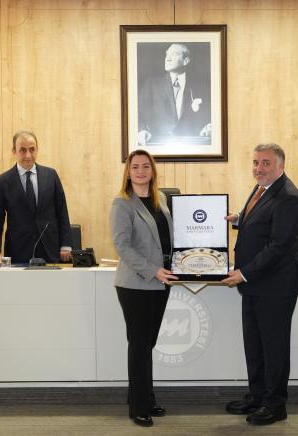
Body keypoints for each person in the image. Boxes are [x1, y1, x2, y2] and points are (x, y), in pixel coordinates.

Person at [222, 143, 298, 426]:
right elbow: (263, 223)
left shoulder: (288, 197)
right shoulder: (263, 188)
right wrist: (239, 219)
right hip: (255, 285)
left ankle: (275, 404)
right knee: (255, 346)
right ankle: (257, 396)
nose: (259, 168)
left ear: (280, 166)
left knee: (274, 349)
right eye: (256, 162)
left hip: (275, 288)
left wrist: (243, 273)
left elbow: (279, 246)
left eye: (266, 163)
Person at [110, 149, 178, 427]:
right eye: (135, 166)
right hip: (136, 284)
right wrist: (153, 270)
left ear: (152, 170)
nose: (140, 171)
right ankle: (138, 407)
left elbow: (169, 238)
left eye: (145, 166)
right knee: (139, 345)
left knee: (147, 343)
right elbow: (122, 245)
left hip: (162, 281)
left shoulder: (161, 198)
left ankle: (144, 398)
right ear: (128, 172)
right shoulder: (122, 203)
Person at [0, 130, 72, 264]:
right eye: (22, 150)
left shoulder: (51, 175)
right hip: (18, 251)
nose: (28, 155)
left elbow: (62, 212)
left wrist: (66, 244)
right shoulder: (3, 181)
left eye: (32, 149)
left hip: (50, 250)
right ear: (14, 151)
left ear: (37, 150)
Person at [137, 43, 211, 145]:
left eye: (174, 54)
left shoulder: (200, 86)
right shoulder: (151, 84)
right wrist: (141, 130)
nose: (167, 58)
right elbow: (138, 113)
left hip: (191, 145)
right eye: (167, 54)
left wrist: (209, 127)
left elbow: (209, 116)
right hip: (156, 144)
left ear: (186, 61)